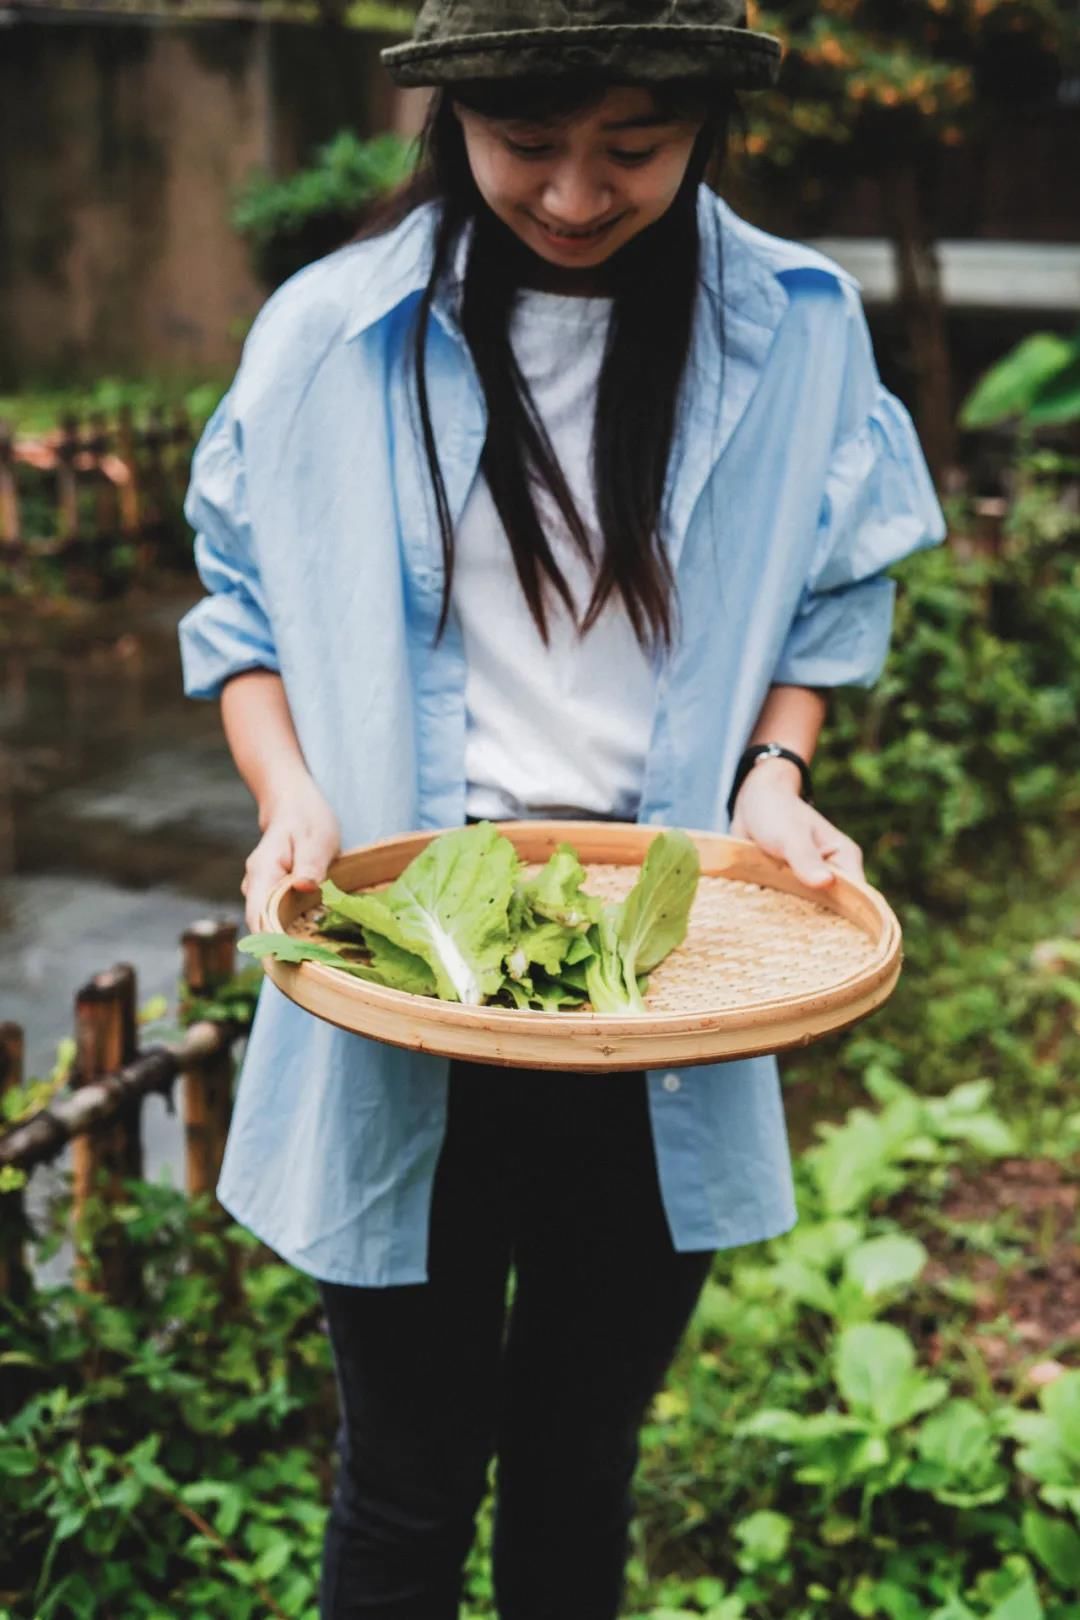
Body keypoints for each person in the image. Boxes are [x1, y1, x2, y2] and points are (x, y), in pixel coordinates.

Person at [178, 1, 946, 1614]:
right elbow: (238, 616)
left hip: (660, 986)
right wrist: (292, 793)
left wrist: (773, 773)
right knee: (402, 1484)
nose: (580, 197)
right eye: (530, 145)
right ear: (453, 116)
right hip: (409, 982)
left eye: (635, 148)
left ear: (703, 128)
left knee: (582, 1461)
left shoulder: (796, 329)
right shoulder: (327, 336)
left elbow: (825, 602)